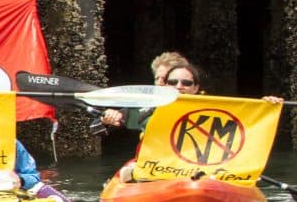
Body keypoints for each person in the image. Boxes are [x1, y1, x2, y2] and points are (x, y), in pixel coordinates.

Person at [102, 52, 282, 180]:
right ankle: (135, 174)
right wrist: (110, 117)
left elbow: (247, 121)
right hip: (160, 167)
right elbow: (116, 119)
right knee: (128, 173)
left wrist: (266, 105)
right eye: (169, 81)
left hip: (197, 168)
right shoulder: (149, 107)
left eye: (185, 82)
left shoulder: (209, 107)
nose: (178, 86)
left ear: (195, 87)